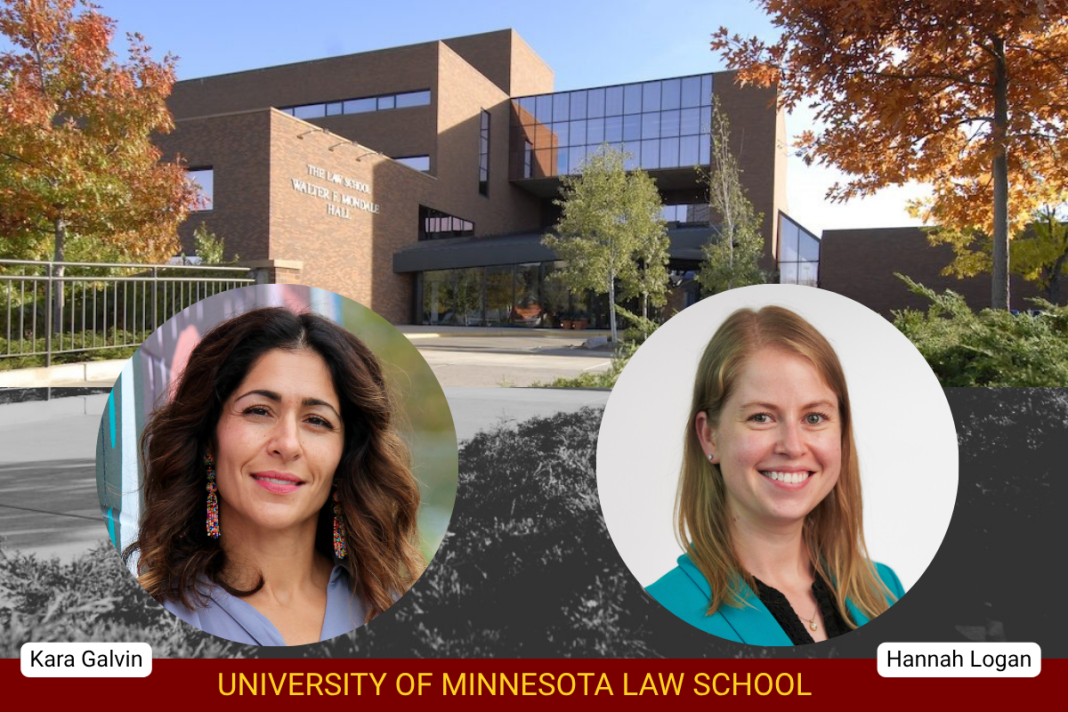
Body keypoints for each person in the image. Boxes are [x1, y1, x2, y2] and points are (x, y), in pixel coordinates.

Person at [123, 307, 424, 646]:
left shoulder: (394, 609)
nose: (287, 444)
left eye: (317, 420)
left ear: (345, 455)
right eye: (259, 411)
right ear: (208, 438)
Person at [647, 305, 903, 645]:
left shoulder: (884, 589)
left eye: (814, 418)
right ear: (710, 436)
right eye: (761, 417)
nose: (793, 446)